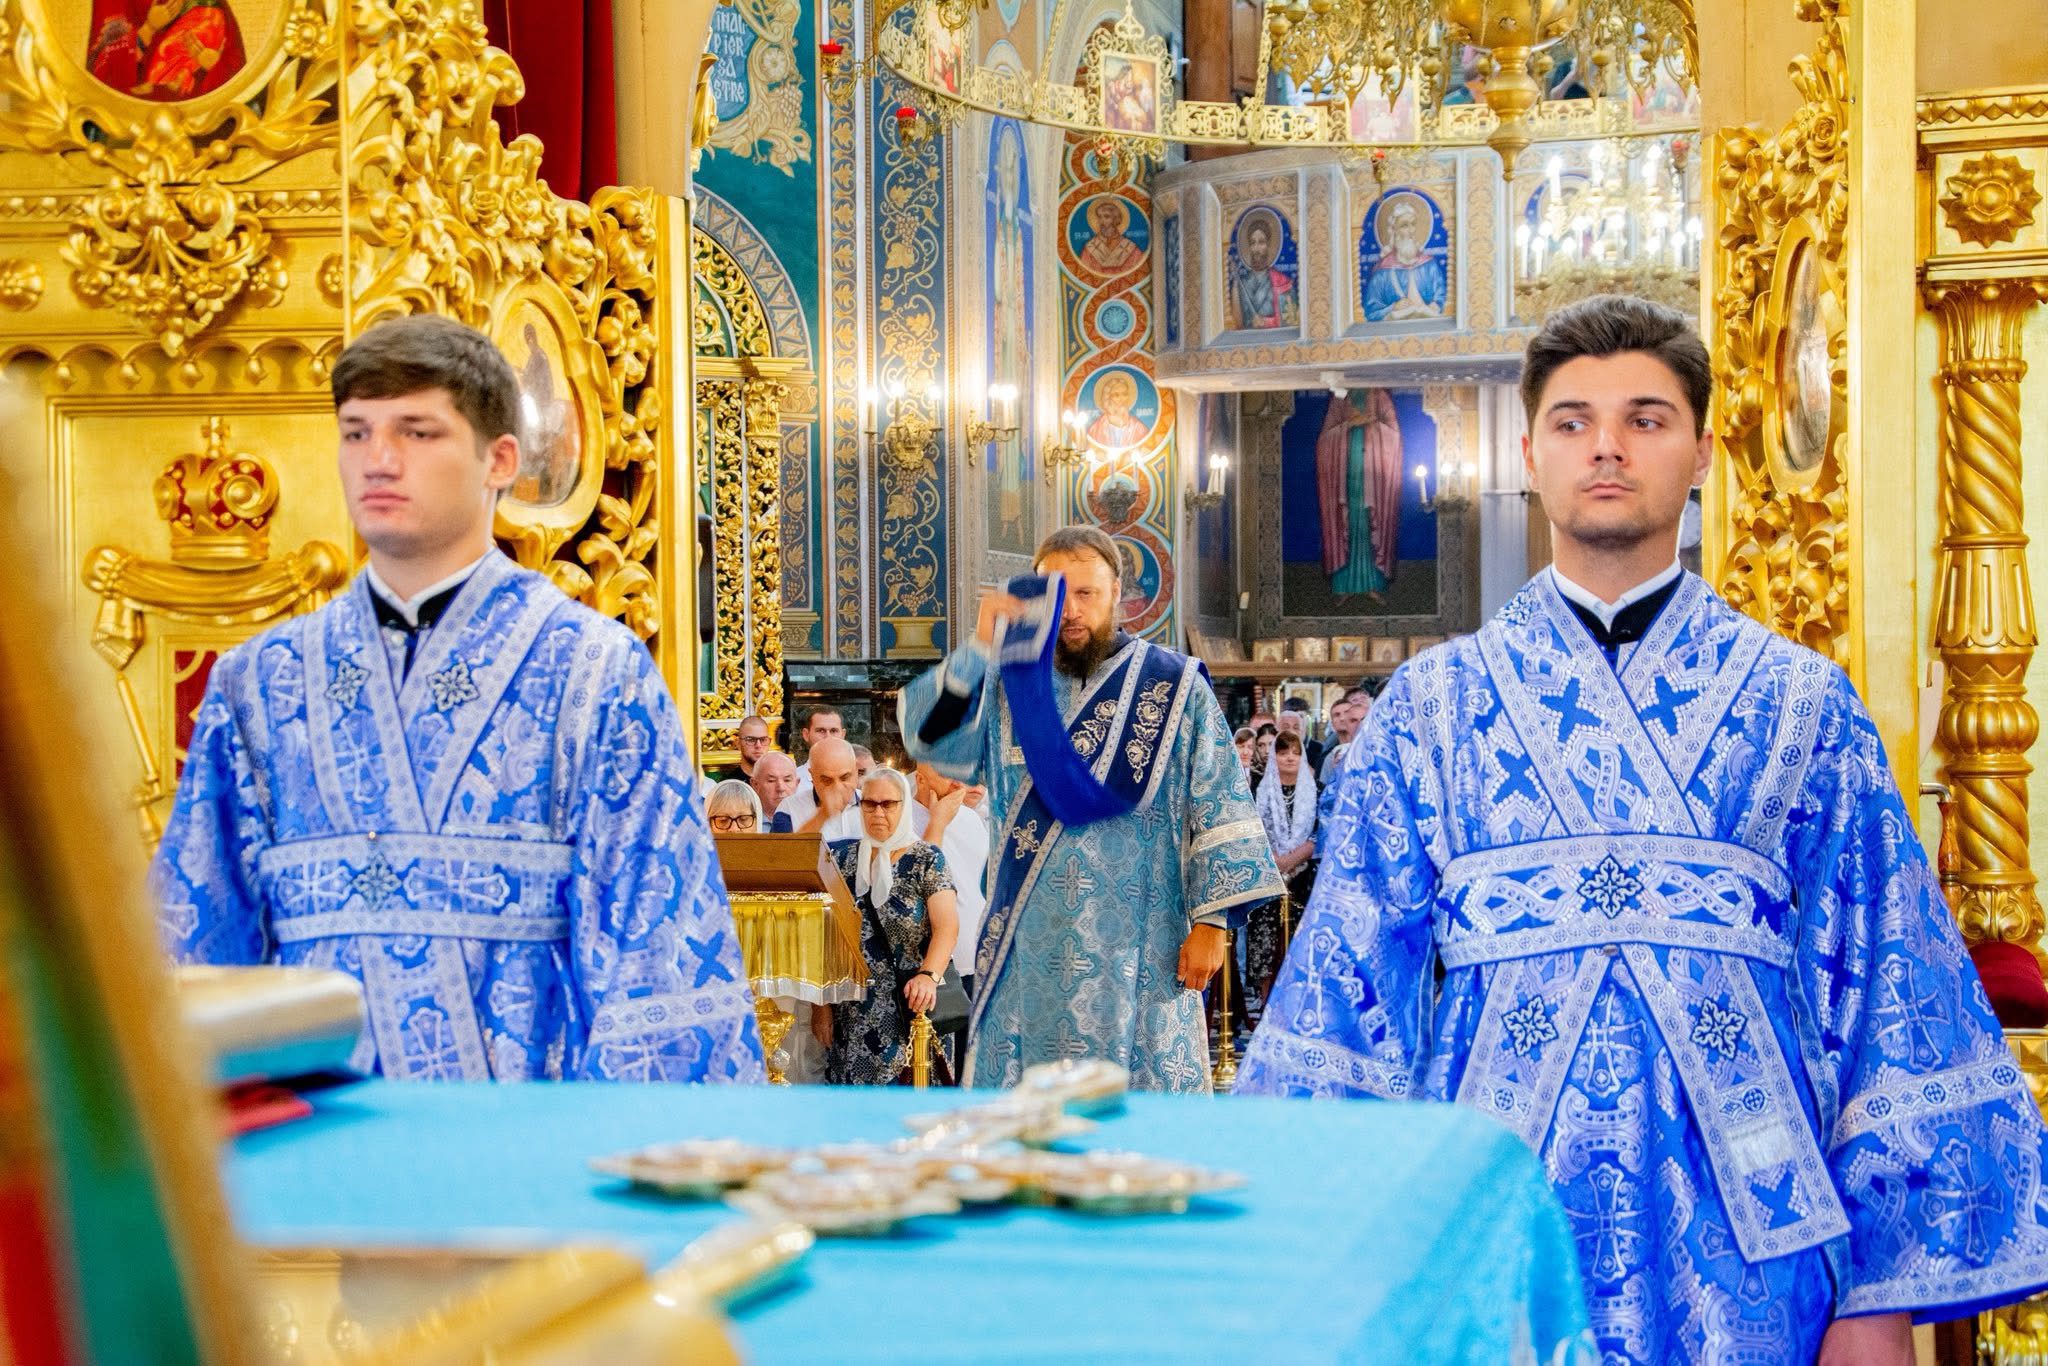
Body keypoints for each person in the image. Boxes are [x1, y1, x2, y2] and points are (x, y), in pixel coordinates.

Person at [1239, 295, 2048, 1365]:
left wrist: (1878, 1294)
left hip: (1758, 1246)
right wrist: (1330, 1247)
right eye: (1572, 421)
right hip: (1493, 1233)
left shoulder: (1801, 704)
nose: (1607, 447)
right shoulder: (1430, 707)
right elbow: (1346, 986)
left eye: (1646, 418)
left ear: (1703, 452)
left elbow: (1887, 989)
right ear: (1528, 454)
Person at [151, 315, 763, 1083]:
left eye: (416, 432)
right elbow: (195, 944)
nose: (378, 460)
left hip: (525, 1132)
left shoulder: (593, 671)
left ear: (498, 460)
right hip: (316, 1130)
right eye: (356, 433)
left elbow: (654, 952)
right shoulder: (259, 682)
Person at [902, 525, 1280, 1092]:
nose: (1071, 611)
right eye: (1057, 595)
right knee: (1026, 1112)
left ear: (1117, 595)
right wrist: (979, 647)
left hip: (1143, 945)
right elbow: (930, 742)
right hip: (1027, 943)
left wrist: (1212, 923)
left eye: (1086, 593)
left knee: (1143, 1109)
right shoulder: (1007, 684)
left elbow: (1219, 801)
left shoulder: (1172, 685)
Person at [812, 769, 960, 1085]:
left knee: (911, 1101)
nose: (878, 812)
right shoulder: (842, 860)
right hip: (853, 1012)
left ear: (904, 805)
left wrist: (929, 976)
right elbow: (826, 935)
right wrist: (820, 1007)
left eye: (888, 804)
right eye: (870, 804)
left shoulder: (926, 859)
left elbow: (947, 927)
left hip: (912, 1006)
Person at [915, 761, 990, 1077]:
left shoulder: (972, 819)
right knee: (936, 1071)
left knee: (971, 1069)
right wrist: (938, 822)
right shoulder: (903, 817)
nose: (958, 783)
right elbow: (916, 881)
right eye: (946, 775)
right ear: (921, 778)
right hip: (934, 969)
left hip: (977, 962)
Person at [1247, 732, 1317, 1016]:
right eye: (1283, 752)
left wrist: (1292, 859)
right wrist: (1274, 860)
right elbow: (1252, 829)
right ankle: (1267, 1006)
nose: (1290, 758)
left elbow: (1320, 833)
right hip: (1269, 873)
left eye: (1296, 752)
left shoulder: (1317, 790)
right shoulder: (1259, 790)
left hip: (1304, 876)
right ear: (1273, 757)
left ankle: (1300, 1007)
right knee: (1266, 942)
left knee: (1300, 941)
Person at [790, 706, 845, 789]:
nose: (828, 737)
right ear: (806, 734)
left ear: (843, 735)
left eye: (833, 731)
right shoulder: (792, 783)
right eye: (821, 731)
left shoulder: (856, 780)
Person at [750, 750, 799, 830]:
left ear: (797, 784)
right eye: (771, 781)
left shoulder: (809, 819)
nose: (781, 788)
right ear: (755, 784)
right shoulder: (744, 822)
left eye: (787, 780)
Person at [1277, 698, 1325, 770]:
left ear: (1307, 719)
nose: (1297, 721)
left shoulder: (1318, 748)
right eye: (1292, 717)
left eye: (1301, 716)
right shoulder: (1278, 746)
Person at [734, 714, 772, 781]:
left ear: (769, 742)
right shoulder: (730, 783)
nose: (758, 745)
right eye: (751, 739)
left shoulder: (778, 780)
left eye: (763, 740)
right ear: (738, 743)